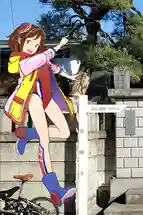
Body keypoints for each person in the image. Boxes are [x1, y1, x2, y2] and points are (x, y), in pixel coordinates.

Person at [4, 22, 78, 206]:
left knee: (65, 132)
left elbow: (51, 67)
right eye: (30, 42)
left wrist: (68, 75)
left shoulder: (40, 57)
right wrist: (58, 47)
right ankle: (55, 190)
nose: (33, 47)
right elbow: (38, 61)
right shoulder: (18, 60)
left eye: (37, 45)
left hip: (46, 97)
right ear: (20, 41)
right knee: (44, 142)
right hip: (33, 98)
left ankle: (27, 134)